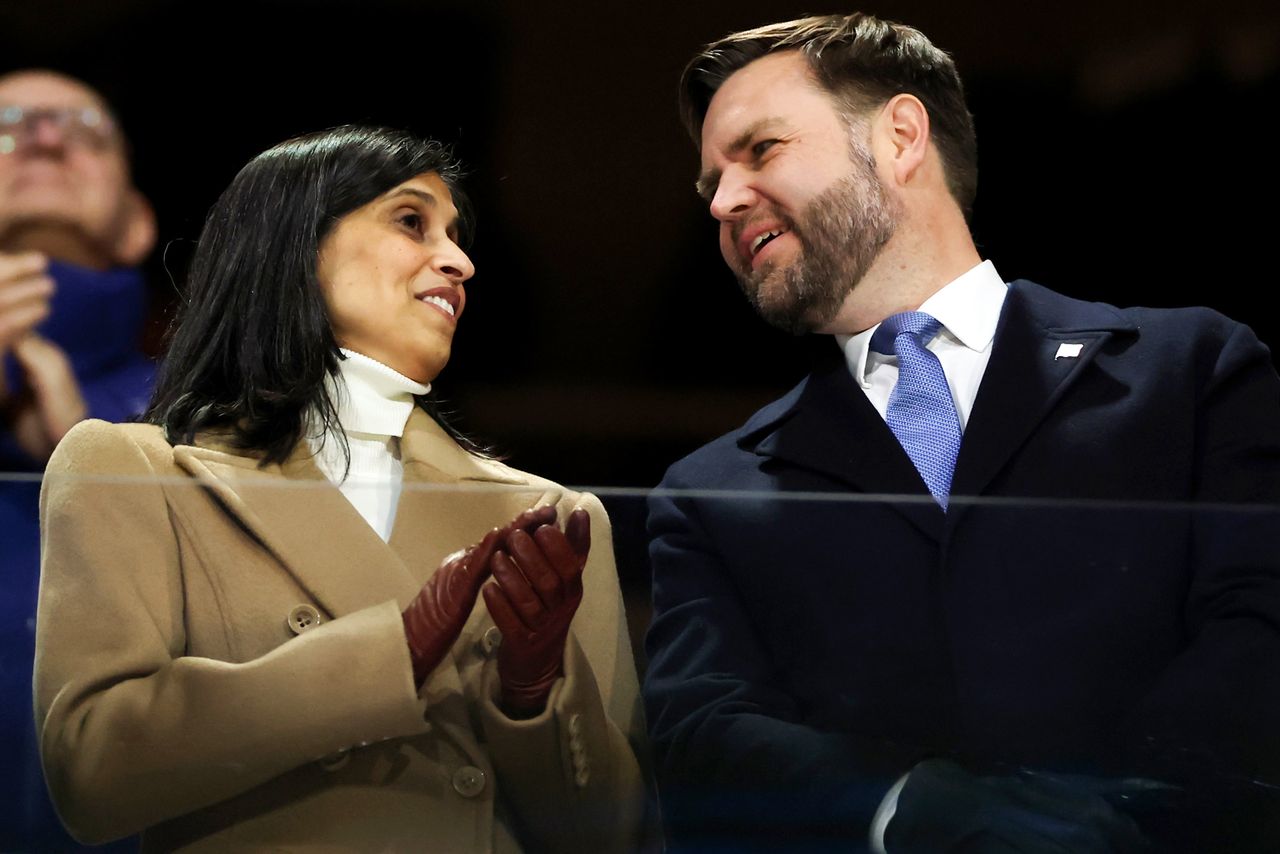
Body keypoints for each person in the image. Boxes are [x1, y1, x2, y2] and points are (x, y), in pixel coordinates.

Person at [642, 12, 1280, 854]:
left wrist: (1112, 821)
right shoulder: (709, 495)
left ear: (902, 136)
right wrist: (907, 807)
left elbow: (1260, 624)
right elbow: (704, 741)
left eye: (760, 150)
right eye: (711, 184)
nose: (723, 201)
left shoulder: (1192, 370)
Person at [34, 124, 649, 852]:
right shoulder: (134, 471)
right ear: (292, 244)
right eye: (412, 221)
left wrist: (533, 691)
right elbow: (91, 772)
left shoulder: (550, 517)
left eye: (456, 235)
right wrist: (393, 653)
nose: (459, 262)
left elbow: (617, 836)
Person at [0, 68, 156, 853]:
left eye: (85, 128)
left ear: (136, 224)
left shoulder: (227, 415)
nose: (47, 137)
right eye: (10, 125)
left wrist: (96, 462)